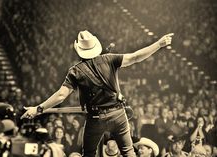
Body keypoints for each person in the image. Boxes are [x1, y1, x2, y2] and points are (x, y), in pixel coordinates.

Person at [21, 30, 174, 157]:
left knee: (88, 154)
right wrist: (159, 44)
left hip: (96, 118)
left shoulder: (75, 71)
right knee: (128, 152)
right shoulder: (109, 59)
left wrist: (38, 109)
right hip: (118, 114)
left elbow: (61, 95)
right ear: (95, 45)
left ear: (79, 50)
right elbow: (135, 57)